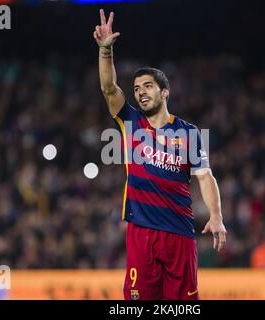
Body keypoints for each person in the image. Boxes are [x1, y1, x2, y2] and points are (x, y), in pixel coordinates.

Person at [93, 9, 227, 300]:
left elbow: (205, 176)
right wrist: (106, 52)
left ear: (164, 92)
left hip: (179, 234)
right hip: (141, 232)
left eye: (148, 86)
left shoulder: (188, 132)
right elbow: (108, 88)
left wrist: (215, 216)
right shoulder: (130, 121)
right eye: (137, 88)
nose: (140, 92)